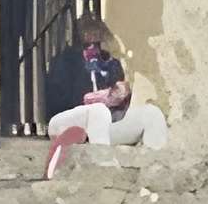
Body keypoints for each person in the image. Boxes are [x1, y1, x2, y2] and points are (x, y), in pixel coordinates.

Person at [39, 14, 167, 174]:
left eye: (96, 34)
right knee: (98, 110)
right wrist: (87, 100)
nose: (92, 39)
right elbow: (55, 102)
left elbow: (119, 105)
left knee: (151, 113)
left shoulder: (111, 64)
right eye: (87, 33)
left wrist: (119, 95)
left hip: (100, 129)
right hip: (68, 125)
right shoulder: (64, 62)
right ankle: (103, 169)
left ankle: (154, 169)